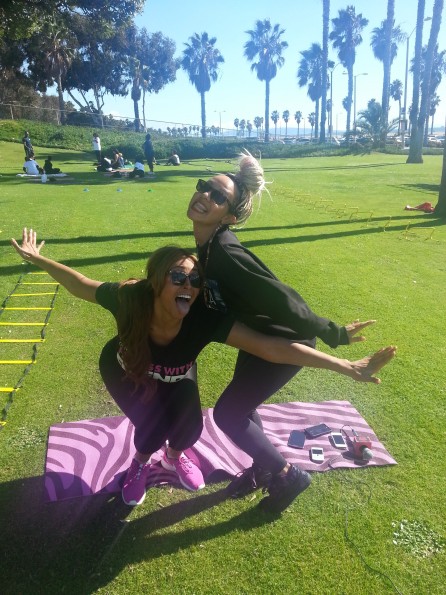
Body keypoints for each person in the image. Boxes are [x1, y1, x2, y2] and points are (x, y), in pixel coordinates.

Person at [11, 229, 395, 511]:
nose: (189, 286)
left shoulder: (202, 317)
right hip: (128, 370)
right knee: (151, 428)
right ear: (156, 281)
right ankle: (139, 466)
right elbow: (79, 284)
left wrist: (345, 366)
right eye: (178, 277)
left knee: (191, 429)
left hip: (177, 374)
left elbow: (270, 348)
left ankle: (174, 457)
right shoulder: (130, 297)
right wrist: (37, 258)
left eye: (195, 279)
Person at [186, 150, 387, 511]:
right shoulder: (209, 247)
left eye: (218, 196)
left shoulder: (226, 254)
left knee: (228, 414)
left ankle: (288, 475)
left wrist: (334, 332)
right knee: (241, 407)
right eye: (205, 186)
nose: (204, 196)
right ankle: (263, 468)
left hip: (285, 339)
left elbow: (282, 299)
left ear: (229, 217)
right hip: (259, 336)